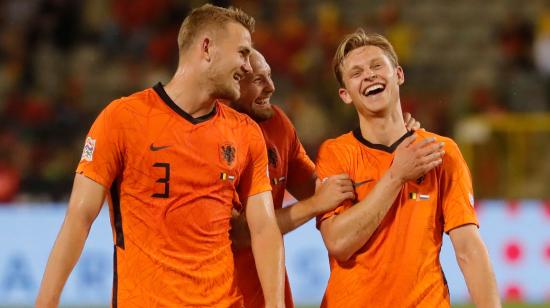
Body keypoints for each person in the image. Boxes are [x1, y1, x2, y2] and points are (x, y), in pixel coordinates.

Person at [35, 4, 285, 308]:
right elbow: (79, 218)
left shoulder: (245, 132)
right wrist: (45, 303)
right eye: (242, 53)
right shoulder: (122, 119)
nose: (248, 66)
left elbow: (263, 229)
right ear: (207, 48)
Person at [227, 49, 431, 308]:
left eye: (269, 75)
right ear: (233, 85)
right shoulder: (216, 135)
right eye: (258, 80)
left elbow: (326, 189)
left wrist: (394, 139)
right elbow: (238, 233)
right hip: (223, 291)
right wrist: (315, 205)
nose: (271, 87)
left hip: (268, 291)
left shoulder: (277, 124)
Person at [316, 29, 500, 307]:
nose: (369, 75)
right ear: (345, 95)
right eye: (356, 73)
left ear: (398, 75)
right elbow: (339, 243)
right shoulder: (335, 153)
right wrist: (396, 175)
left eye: (377, 66)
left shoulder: (441, 151)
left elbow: (469, 249)